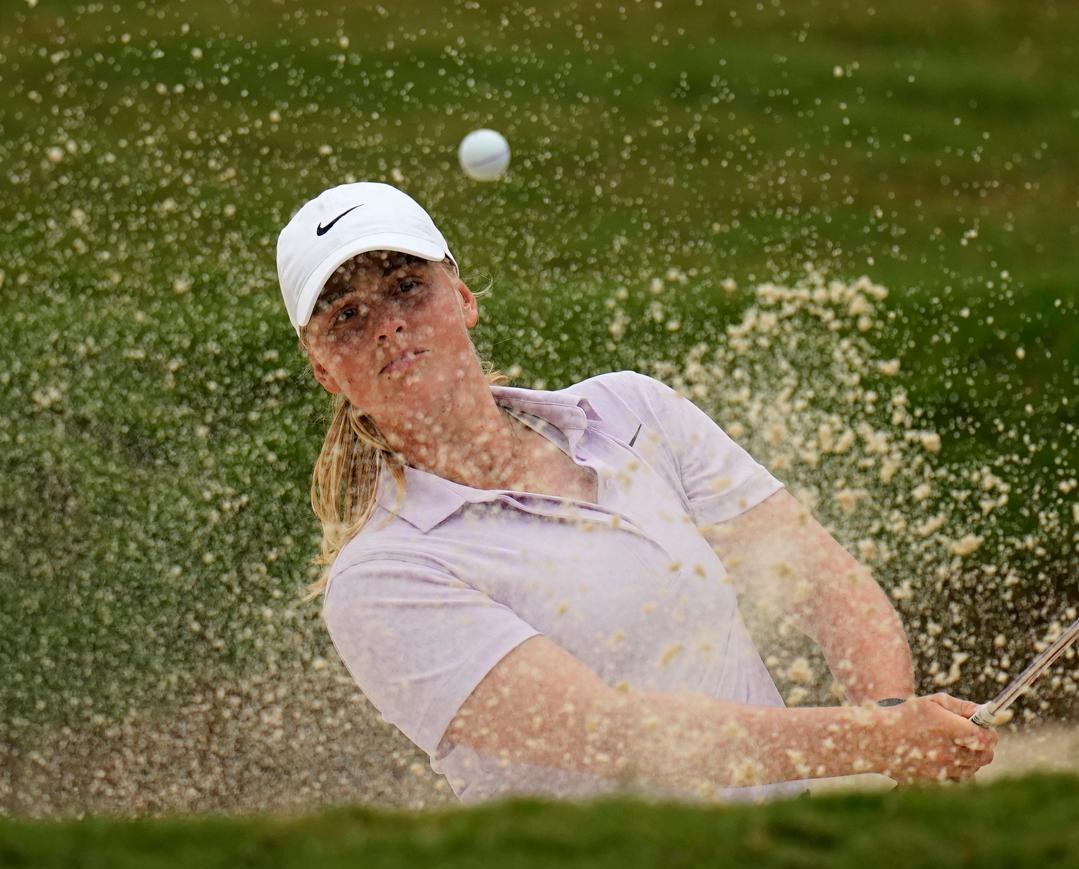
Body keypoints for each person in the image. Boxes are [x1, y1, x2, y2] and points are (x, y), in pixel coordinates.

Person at [276, 181, 999, 804]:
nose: (389, 324)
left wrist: (899, 727)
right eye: (346, 316)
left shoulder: (631, 412)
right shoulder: (381, 578)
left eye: (408, 287)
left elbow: (821, 581)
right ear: (325, 373)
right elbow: (612, 733)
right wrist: (877, 740)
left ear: (462, 298)